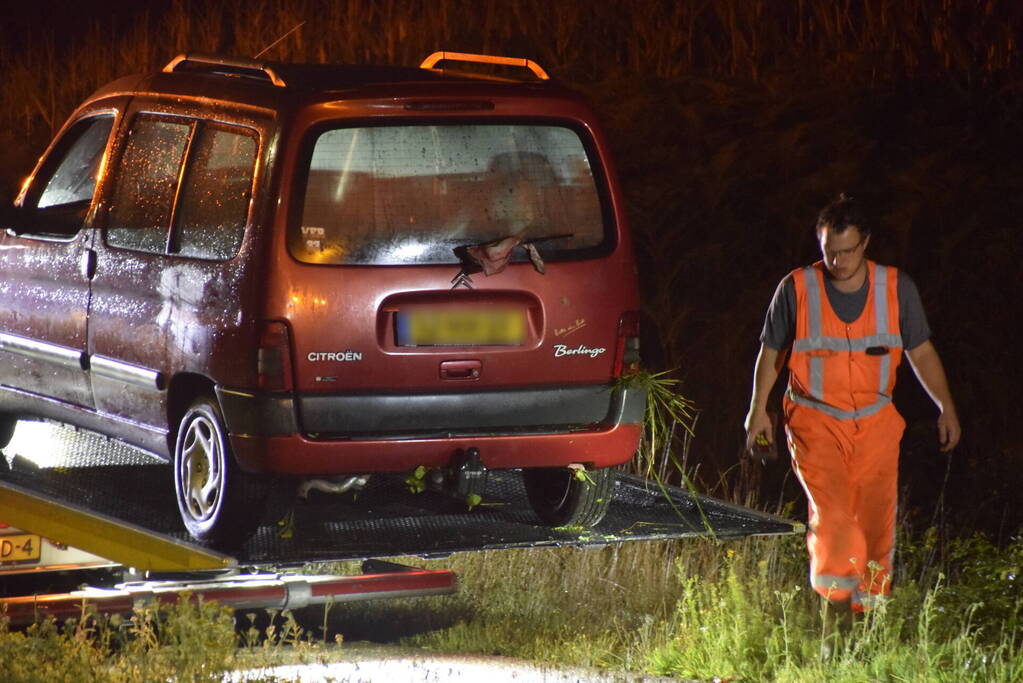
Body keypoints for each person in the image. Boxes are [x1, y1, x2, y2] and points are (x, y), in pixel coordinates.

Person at [744, 194, 961, 618]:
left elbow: (922, 353)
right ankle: (834, 613)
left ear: (866, 243)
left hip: (877, 425)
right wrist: (758, 410)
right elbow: (770, 354)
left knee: (876, 527)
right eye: (829, 253)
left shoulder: (897, 289)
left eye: (846, 251)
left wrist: (946, 407)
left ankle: (869, 623)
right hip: (814, 420)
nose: (838, 261)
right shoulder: (797, 288)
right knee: (837, 520)